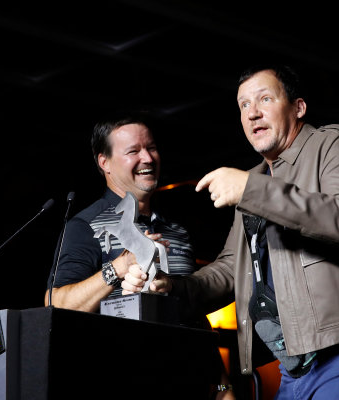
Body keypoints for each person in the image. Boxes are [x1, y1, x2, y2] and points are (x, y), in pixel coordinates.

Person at [122, 65, 339, 399]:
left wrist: (250, 190)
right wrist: (171, 287)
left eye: (265, 99)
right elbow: (230, 270)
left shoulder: (332, 145)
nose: (253, 113)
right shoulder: (256, 178)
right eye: (243, 105)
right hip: (291, 369)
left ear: (298, 107)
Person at [44, 114, 235, 399]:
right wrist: (118, 268)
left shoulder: (176, 231)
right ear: (104, 163)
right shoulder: (85, 226)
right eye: (133, 151)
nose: (147, 158)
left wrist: (224, 388)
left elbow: (193, 318)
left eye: (152, 148)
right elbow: (55, 303)